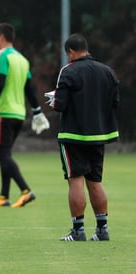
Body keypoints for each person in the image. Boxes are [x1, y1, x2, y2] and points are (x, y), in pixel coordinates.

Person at [45, 33, 119, 241]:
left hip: (73, 135)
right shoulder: (107, 71)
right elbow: (115, 102)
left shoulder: (68, 71)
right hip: (99, 135)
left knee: (75, 181)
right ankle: (102, 230)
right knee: (95, 181)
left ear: (70, 52)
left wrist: (53, 100)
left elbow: (60, 105)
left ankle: (78, 231)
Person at [0, 23, 49, 208]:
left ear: (2, 37)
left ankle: (25, 191)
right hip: (19, 114)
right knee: (5, 154)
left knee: (2, 154)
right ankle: (4, 196)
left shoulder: (0, 56)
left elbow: (0, 81)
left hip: (4, 112)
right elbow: (29, 88)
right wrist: (36, 111)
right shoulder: (22, 59)